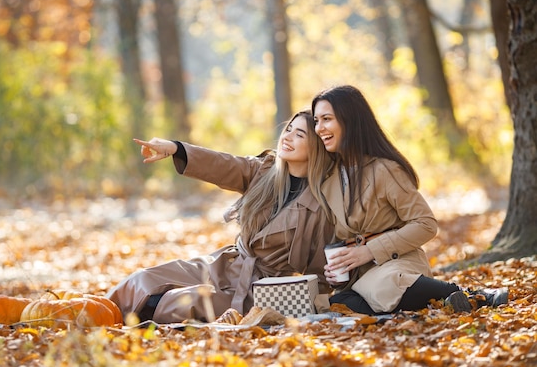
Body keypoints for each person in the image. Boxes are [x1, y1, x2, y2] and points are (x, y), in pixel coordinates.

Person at [105, 110, 335, 323]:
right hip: (226, 264)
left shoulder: (320, 206)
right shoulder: (263, 170)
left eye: (299, 134)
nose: (288, 137)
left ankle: (110, 320)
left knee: (175, 302)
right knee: (143, 280)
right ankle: (87, 313)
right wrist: (176, 148)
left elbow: (318, 274)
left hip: (259, 291)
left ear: (315, 146)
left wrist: (316, 307)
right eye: (289, 129)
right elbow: (222, 164)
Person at [311, 85, 508, 315]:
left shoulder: (385, 170)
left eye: (326, 119)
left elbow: (425, 224)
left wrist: (370, 251)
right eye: (316, 121)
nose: (319, 128)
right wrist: (339, 265)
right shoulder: (329, 180)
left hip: (397, 267)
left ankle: (468, 294)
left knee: (385, 286)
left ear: (350, 120)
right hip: (361, 278)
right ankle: (439, 304)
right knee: (340, 305)